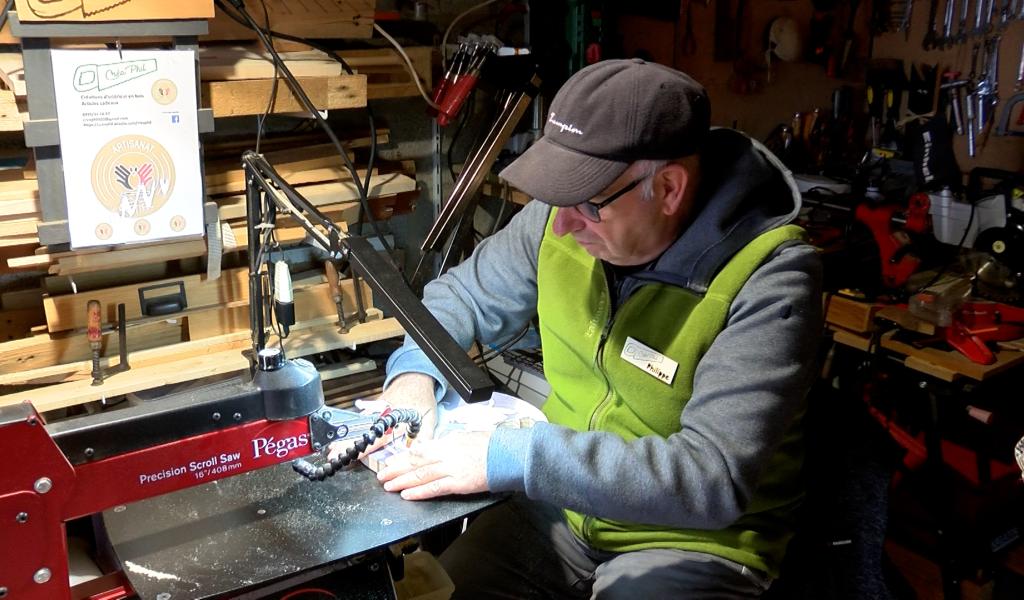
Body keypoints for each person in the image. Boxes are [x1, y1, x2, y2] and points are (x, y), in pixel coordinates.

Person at [371, 59, 823, 598]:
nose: (561, 224)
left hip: (690, 537)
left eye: (588, 201)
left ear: (670, 188)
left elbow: (711, 477)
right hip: (557, 511)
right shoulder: (561, 217)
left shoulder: (770, 279)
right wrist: (415, 377)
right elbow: (459, 297)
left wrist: (513, 454)